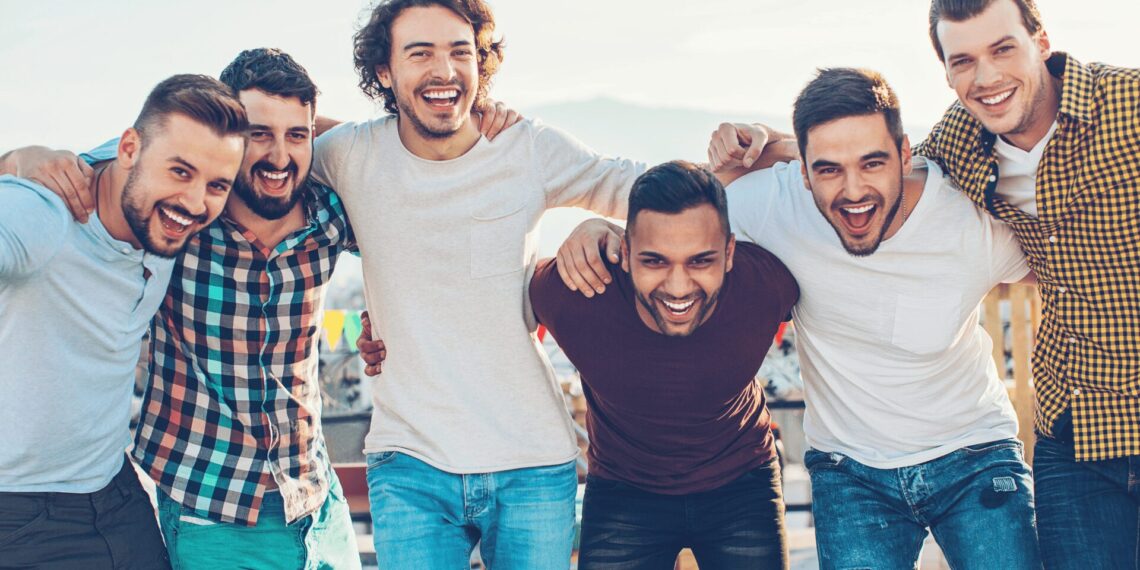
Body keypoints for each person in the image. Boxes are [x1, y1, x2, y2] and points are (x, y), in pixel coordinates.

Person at [1, 47, 521, 569]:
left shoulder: (330, 212)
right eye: (257, 136)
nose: (278, 157)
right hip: (211, 510)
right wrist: (21, 158)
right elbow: (130, 160)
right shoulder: (189, 212)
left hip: (315, 502)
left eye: (297, 135)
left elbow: (430, 221)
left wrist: (468, 129)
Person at [561, 68, 1041, 568]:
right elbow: (671, 226)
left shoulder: (966, 219)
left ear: (905, 154)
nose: (853, 191)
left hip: (973, 452)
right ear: (804, 172)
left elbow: (1065, 266)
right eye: (829, 169)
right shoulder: (774, 205)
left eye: (873, 163)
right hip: (851, 471)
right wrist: (599, 229)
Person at [313, 0, 647, 566]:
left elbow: (653, 193)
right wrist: (105, 166)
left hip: (533, 464)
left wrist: (775, 156)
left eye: (459, 52)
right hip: (409, 464)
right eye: (421, 54)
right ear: (385, 73)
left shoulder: (527, 147)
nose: (444, 70)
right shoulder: (349, 154)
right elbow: (263, 139)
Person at [920, 2, 1140, 566]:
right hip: (1075, 432)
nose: (986, 78)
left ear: (1041, 41)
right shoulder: (960, 141)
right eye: (962, 60)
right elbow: (870, 167)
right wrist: (766, 145)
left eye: (1002, 49)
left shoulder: (1129, 103)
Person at [0, 74, 247, 569]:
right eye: (179, 173)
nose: (196, 204)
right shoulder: (44, 211)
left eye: (216, 185)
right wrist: (12, 165)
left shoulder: (163, 206)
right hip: (20, 511)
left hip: (116, 491)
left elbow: (301, 131)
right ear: (129, 148)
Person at [533, 161, 796, 568]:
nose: (678, 286)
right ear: (626, 250)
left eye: (700, 261)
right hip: (625, 490)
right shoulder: (576, 293)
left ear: (729, 252)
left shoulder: (765, 283)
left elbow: (826, 179)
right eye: (654, 261)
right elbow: (483, 298)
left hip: (742, 483)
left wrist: (766, 139)